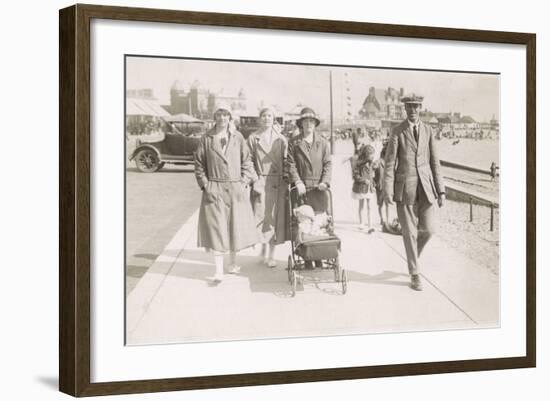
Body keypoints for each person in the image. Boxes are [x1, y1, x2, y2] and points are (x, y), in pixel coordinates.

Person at [383, 94, 445, 291]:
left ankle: (413, 256)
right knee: (409, 232)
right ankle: (415, 273)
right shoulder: (397, 132)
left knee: (429, 229)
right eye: (409, 107)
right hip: (404, 189)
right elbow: (390, 164)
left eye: (416, 106)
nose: (413, 110)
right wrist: (387, 192)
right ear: (405, 109)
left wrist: (441, 190)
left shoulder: (428, 130)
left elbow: (435, 162)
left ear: (421, 108)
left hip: (427, 188)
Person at [194, 105, 259, 283]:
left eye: (225, 115)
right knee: (217, 229)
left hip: (235, 189)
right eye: (219, 115)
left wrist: (244, 181)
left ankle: (232, 264)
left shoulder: (237, 137)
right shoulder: (206, 139)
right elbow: (199, 164)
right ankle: (218, 271)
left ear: (230, 117)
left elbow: (247, 161)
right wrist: (206, 186)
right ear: (214, 117)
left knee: (234, 227)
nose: (222, 118)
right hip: (215, 188)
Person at [287, 107, 332, 268]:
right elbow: (291, 165)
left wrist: (325, 182)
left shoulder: (323, 143)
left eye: (311, 122)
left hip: (319, 190)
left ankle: (319, 255)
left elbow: (327, 164)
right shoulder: (294, 143)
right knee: (303, 222)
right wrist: (297, 182)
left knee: (319, 222)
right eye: (305, 122)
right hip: (302, 189)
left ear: (315, 124)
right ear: (301, 124)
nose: (308, 125)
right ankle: (306, 257)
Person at [248, 107, 289, 268]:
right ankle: (263, 248)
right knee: (261, 217)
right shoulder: (253, 138)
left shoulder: (281, 139)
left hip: (277, 184)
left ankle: (271, 254)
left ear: (274, 118)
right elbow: (247, 160)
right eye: (264, 116)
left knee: (273, 218)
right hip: (260, 182)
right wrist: (254, 179)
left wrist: (285, 182)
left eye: (269, 116)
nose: (267, 119)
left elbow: (287, 162)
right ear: (260, 119)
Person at [352, 144, 377, 233]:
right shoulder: (359, 164)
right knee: (361, 205)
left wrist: (373, 183)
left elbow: (371, 176)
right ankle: (361, 223)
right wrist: (363, 180)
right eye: (371, 154)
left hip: (369, 188)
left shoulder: (371, 163)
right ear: (366, 155)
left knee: (370, 206)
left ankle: (370, 224)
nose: (373, 156)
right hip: (361, 188)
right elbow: (355, 176)